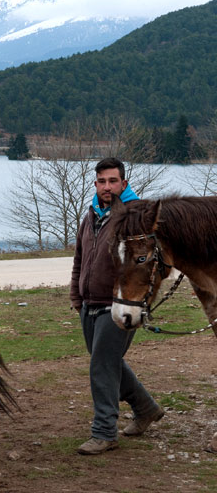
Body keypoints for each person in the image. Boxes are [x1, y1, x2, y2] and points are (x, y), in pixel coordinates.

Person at [70, 157, 164, 455]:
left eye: (112, 181)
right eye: (101, 181)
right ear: (95, 184)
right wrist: (76, 296)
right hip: (89, 303)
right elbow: (79, 258)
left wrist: (132, 300)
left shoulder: (134, 216)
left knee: (102, 365)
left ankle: (104, 432)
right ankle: (146, 408)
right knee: (108, 362)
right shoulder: (91, 215)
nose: (107, 187)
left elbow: (141, 263)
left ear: (124, 183)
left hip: (119, 304)